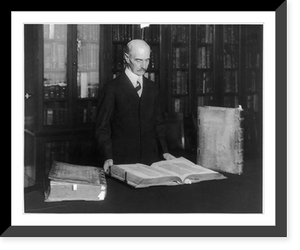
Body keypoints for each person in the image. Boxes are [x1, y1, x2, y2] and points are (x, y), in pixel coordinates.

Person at [95, 39, 175, 174]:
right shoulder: (112, 88)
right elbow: (102, 128)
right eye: (139, 60)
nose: (144, 66)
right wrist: (107, 157)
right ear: (127, 58)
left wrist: (165, 152)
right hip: (122, 161)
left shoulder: (153, 88)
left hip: (151, 162)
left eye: (147, 60)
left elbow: (158, 124)